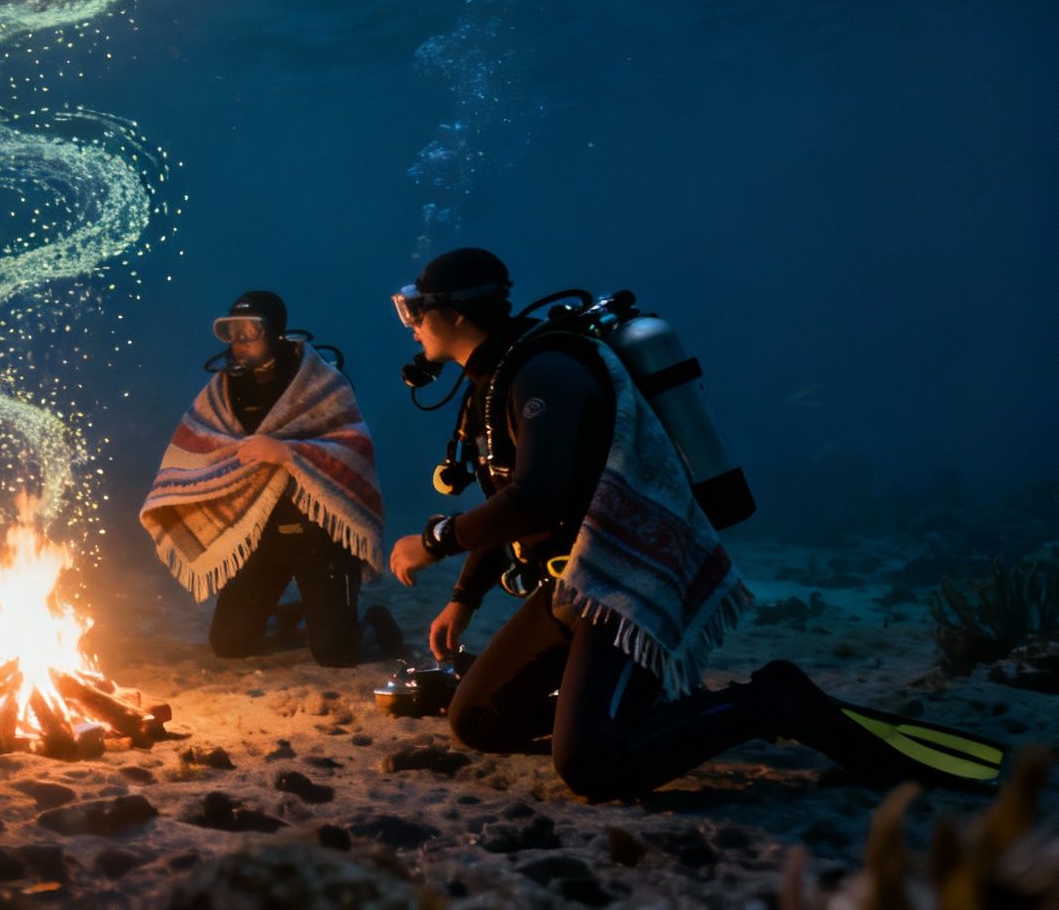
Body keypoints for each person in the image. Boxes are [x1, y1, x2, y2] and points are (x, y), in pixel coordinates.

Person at [386, 247, 1007, 799]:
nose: (410, 326)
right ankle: (629, 705)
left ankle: (770, 702)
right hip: (572, 585)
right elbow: (506, 493)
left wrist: (434, 541)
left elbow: (536, 500)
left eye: (415, 311)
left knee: (594, 767)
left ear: (456, 313)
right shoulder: (495, 379)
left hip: (628, 578)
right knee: (477, 722)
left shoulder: (543, 372)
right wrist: (464, 599)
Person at [139, 291, 387, 668]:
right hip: (260, 535)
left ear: (275, 333)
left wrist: (288, 453)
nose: (237, 345)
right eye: (232, 334)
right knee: (228, 645)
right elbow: (196, 443)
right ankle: (292, 611)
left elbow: (355, 448)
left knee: (336, 654)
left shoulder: (321, 378)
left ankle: (368, 619)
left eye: (248, 334)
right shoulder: (224, 389)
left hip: (322, 536)